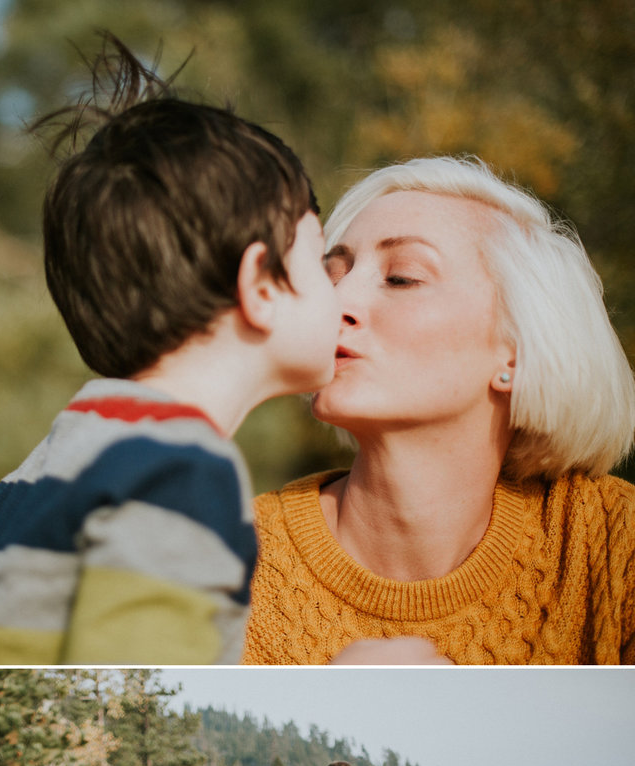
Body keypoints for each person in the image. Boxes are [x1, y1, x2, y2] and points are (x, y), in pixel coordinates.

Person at [0, 41, 341, 667]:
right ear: (261, 286)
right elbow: (137, 693)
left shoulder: (50, 461)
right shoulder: (182, 472)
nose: (340, 295)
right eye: (320, 262)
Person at [245, 155, 635, 666]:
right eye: (331, 275)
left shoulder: (613, 543)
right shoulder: (225, 563)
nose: (337, 299)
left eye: (401, 277)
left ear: (516, 351)